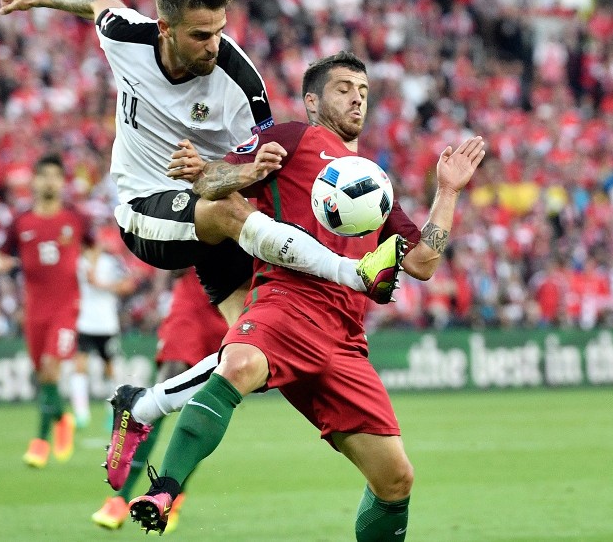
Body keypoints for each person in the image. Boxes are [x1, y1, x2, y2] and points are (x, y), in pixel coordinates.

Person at [0, 0, 403, 489]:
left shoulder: (240, 81)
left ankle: (140, 405)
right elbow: (98, 0)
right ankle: (355, 273)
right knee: (230, 213)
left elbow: (262, 167)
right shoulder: (127, 38)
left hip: (216, 213)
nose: (215, 44)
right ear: (165, 29)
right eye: (200, 34)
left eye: (219, 29)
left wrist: (243, 172)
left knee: (247, 352)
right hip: (145, 209)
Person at [125, 52, 486, 539]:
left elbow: (422, 262)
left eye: (362, 89)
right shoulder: (290, 139)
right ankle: (164, 488)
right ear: (312, 100)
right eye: (343, 88)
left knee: (395, 479)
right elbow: (210, 182)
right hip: (286, 303)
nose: (357, 96)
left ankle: (143, 409)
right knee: (238, 366)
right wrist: (242, 173)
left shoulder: (372, 183)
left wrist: (448, 191)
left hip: (344, 338)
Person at [92, 267, 227, 532]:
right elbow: (174, 265)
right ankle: (120, 498)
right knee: (168, 383)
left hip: (235, 307)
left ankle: (172, 494)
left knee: (204, 404)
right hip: (192, 303)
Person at [0, 153, 93, 468]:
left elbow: (93, 244)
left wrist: (93, 265)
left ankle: (39, 442)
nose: (49, 181)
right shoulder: (21, 222)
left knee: (51, 369)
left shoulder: (76, 218)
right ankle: (63, 420)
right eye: (43, 175)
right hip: (34, 311)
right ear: (33, 181)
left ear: (63, 182)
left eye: (55, 176)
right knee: (43, 377)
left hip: (66, 308)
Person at [70, 246, 135, 430]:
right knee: (79, 365)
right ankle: (81, 414)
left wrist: (101, 284)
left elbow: (128, 285)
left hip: (106, 324)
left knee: (110, 369)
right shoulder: (77, 262)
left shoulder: (111, 262)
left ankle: (113, 413)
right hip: (83, 322)